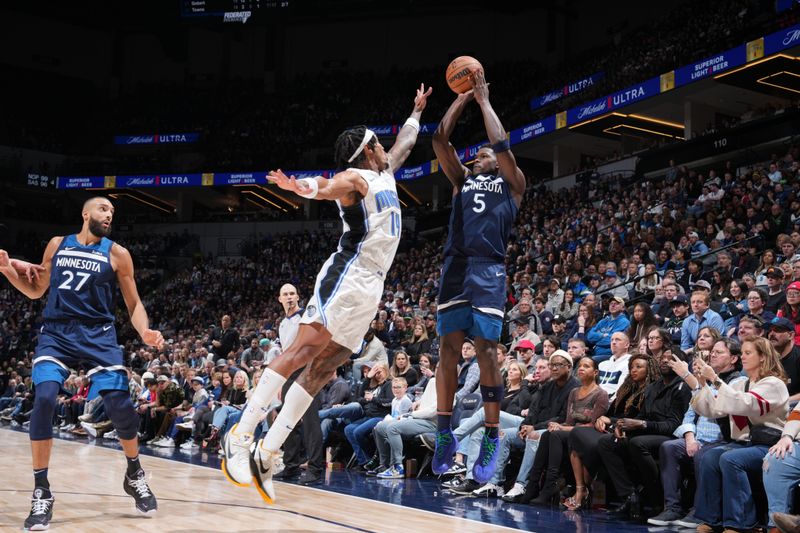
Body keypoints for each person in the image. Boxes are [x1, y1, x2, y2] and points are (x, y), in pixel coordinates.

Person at [220, 83, 432, 503]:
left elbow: (406, 143)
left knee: (326, 368)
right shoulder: (355, 177)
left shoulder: (384, 171)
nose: (387, 146)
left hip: (373, 284)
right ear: (369, 149)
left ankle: (269, 450)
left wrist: (416, 112)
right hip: (347, 274)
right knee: (304, 348)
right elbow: (328, 185)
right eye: (379, 142)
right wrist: (302, 187)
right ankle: (241, 436)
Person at [0, 197, 164, 529]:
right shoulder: (58, 244)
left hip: (98, 335)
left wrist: (145, 330)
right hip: (57, 331)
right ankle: (42, 491)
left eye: (112, 213)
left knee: (121, 406)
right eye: (104, 209)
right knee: (44, 399)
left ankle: (134, 472)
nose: (109, 215)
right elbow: (36, 290)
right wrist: (8, 272)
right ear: (86, 213)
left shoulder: (117, 254)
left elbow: (134, 304)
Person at [430, 68, 525, 484]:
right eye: (475, 156)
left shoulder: (513, 185)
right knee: (447, 352)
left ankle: (490, 434)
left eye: (482, 155)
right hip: (455, 268)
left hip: (488, 270)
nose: (476, 158)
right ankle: (443, 430)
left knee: (486, 350)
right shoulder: (460, 181)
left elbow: (501, 143)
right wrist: (463, 97)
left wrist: (485, 101)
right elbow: (438, 139)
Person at [692, 336, 789, 532]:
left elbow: (746, 404)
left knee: (731, 459)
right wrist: (702, 383)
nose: (743, 357)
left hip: (768, 444)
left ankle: (743, 523)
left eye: (748, 353)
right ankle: (711, 519)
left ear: (762, 357)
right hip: (746, 443)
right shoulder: (740, 384)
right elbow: (712, 410)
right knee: (710, 456)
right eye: (742, 352)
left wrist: (716, 380)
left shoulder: (774, 384)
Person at [271, 283, 325, 485]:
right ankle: (291, 466)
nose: (289, 297)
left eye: (292, 293)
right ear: (280, 299)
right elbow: (286, 354)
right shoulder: (282, 324)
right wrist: (280, 381)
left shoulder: (307, 316)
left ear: (298, 296)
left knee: (311, 423)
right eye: (285, 294)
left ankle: (315, 470)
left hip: (309, 373)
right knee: (287, 422)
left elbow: (318, 341)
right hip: (290, 374)